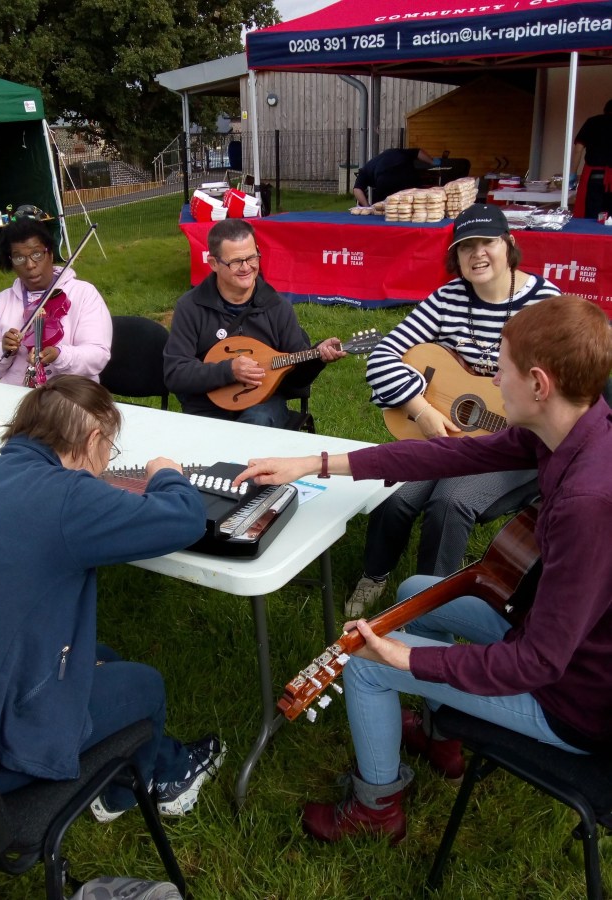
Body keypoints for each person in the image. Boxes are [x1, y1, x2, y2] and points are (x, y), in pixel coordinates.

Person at [235, 295, 612, 843]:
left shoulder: (588, 502)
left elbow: (537, 663)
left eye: (500, 368)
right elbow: (444, 455)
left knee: (365, 663)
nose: (492, 379)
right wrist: (315, 463)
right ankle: (441, 737)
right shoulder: (572, 430)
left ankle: (376, 809)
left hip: (571, 700)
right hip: (553, 641)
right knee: (417, 590)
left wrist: (406, 659)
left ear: (538, 384)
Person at [0, 375, 225, 820]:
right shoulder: (69, 497)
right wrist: (166, 473)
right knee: (146, 685)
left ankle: (149, 763)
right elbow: (185, 519)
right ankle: (135, 792)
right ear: (92, 440)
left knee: (100, 656)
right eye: (110, 449)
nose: (108, 460)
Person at [345, 203, 560, 618]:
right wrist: (422, 410)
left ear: (509, 244)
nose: (477, 254)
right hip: (444, 430)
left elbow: (559, 391)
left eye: (487, 242)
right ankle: (375, 572)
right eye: (465, 247)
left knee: (450, 502)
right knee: (395, 491)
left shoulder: (546, 304)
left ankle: (431, 606)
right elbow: (382, 357)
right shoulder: (447, 298)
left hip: (516, 443)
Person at [163, 219, 345, 427]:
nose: (246, 267)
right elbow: (175, 373)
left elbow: (297, 380)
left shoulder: (277, 307)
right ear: (213, 263)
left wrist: (317, 357)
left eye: (252, 257)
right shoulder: (190, 307)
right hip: (205, 405)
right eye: (235, 261)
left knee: (256, 422)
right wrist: (228, 371)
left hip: (264, 403)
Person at [0, 218, 112, 385]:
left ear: (50, 254)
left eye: (37, 254)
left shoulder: (83, 293)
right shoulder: (3, 300)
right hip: (16, 392)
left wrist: (60, 355)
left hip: (69, 392)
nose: (30, 265)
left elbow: (98, 356)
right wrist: (2, 350)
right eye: (19, 258)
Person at [353, 147, 434, 207]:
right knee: (418, 202)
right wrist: (432, 162)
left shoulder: (366, 169)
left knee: (385, 208)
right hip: (407, 173)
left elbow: (357, 189)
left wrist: (367, 207)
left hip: (385, 179)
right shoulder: (398, 151)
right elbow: (418, 152)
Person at [572, 99, 612, 219]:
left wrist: (573, 173)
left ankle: (595, 230)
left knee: (593, 214)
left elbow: (578, 149)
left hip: (594, 176)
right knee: (610, 217)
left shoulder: (592, 122)